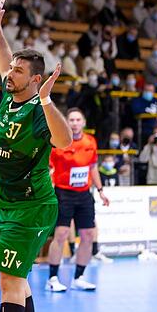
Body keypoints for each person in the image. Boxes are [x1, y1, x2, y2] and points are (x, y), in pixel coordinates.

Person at [0, 0, 73, 312]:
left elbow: (65, 141)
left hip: (31, 207)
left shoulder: (39, 110)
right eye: (11, 69)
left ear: (36, 80)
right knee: (19, 282)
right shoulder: (11, 97)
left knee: (9, 284)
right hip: (5, 204)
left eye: (19, 71)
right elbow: (4, 61)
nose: (10, 73)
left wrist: (49, 102)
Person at [46, 109, 110, 293]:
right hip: (63, 193)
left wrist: (100, 190)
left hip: (84, 194)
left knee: (88, 235)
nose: (74, 123)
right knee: (62, 234)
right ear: (66, 123)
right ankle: (52, 278)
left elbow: (93, 167)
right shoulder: (58, 141)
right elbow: (48, 168)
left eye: (77, 120)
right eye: (71, 120)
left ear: (83, 122)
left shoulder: (90, 141)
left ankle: (79, 277)